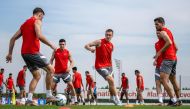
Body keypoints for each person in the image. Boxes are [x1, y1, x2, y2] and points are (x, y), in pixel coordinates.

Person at [6, 7, 57, 105]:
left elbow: (12, 38)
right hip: (33, 52)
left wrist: (10, 53)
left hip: (24, 54)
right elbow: (39, 35)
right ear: (40, 14)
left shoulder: (24, 24)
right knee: (51, 70)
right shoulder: (37, 21)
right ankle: (49, 95)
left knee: (37, 75)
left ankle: (29, 99)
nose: (42, 19)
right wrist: (51, 45)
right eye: (42, 17)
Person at [85, 29, 122, 105]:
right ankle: (118, 100)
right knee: (111, 80)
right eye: (106, 34)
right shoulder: (99, 41)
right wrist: (91, 49)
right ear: (105, 34)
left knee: (111, 83)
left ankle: (112, 97)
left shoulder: (112, 45)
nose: (108, 36)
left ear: (112, 36)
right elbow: (86, 45)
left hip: (109, 66)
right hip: (100, 66)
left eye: (109, 35)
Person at [154, 17, 181, 106]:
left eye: (157, 24)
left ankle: (174, 100)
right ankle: (178, 99)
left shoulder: (162, 32)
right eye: (155, 24)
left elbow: (169, 42)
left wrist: (159, 52)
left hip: (168, 59)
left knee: (163, 80)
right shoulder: (169, 32)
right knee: (173, 80)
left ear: (162, 23)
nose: (155, 26)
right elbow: (176, 47)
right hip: (173, 58)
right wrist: (173, 55)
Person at [50, 39, 77, 104]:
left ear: (65, 44)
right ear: (59, 44)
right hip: (56, 73)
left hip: (65, 72)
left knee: (71, 85)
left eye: (63, 44)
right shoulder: (55, 51)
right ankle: (50, 100)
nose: (62, 45)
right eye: (60, 44)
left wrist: (70, 67)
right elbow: (51, 60)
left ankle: (75, 100)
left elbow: (72, 61)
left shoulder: (67, 52)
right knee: (52, 86)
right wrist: (51, 68)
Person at [153, 31, 164, 105]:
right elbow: (157, 53)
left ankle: (173, 99)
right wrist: (155, 60)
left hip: (165, 66)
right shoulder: (156, 44)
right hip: (158, 66)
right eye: (156, 33)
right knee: (157, 83)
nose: (157, 35)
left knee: (165, 83)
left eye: (159, 33)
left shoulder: (165, 42)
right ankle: (160, 100)